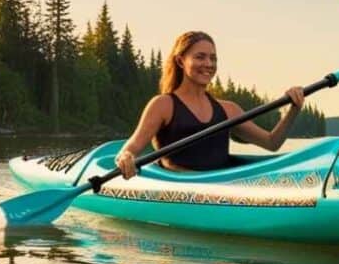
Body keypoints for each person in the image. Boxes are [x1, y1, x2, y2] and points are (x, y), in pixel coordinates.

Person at [114, 31, 305, 177]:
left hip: (222, 184)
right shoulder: (163, 105)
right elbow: (130, 148)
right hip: (180, 187)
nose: (208, 64)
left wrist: (293, 108)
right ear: (181, 61)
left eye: (213, 58)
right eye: (200, 57)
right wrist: (125, 157)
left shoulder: (229, 110)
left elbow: (271, 143)